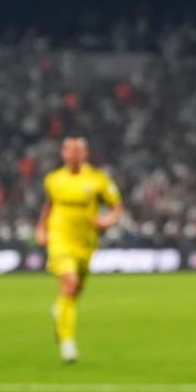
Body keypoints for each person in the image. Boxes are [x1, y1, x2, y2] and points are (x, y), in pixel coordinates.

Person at [34, 136, 124, 362]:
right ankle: (67, 343)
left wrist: (107, 221)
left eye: (78, 150)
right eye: (70, 150)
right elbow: (49, 206)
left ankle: (60, 312)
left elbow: (116, 207)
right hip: (60, 238)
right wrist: (41, 229)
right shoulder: (53, 179)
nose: (74, 154)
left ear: (85, 154)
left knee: (74, 291)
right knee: (69, 283)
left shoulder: (98, 179)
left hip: (85, 243)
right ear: (63, 153)